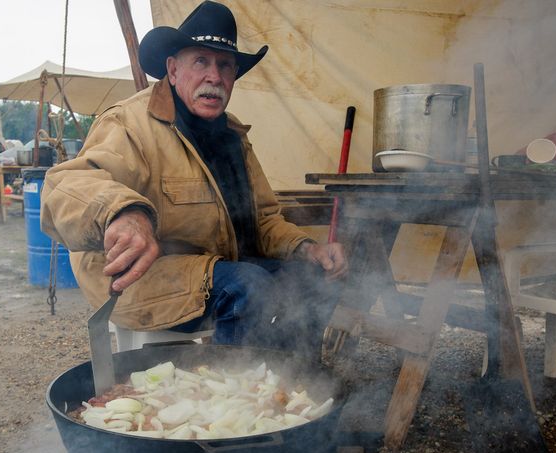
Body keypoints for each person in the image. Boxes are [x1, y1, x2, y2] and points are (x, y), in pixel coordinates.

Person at [41, 1, 347, 357]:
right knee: (247, 285)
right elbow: (64, 188)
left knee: (318, 277)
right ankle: (233, 396)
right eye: (200, 61)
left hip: (214, 269)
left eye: (225, 66)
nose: (214, 77)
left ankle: (290, 381)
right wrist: (123, 213)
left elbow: (264, 220)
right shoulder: (130, 123)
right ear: (172, 69)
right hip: (137, 277)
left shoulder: (233, 136)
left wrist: (308, 248)